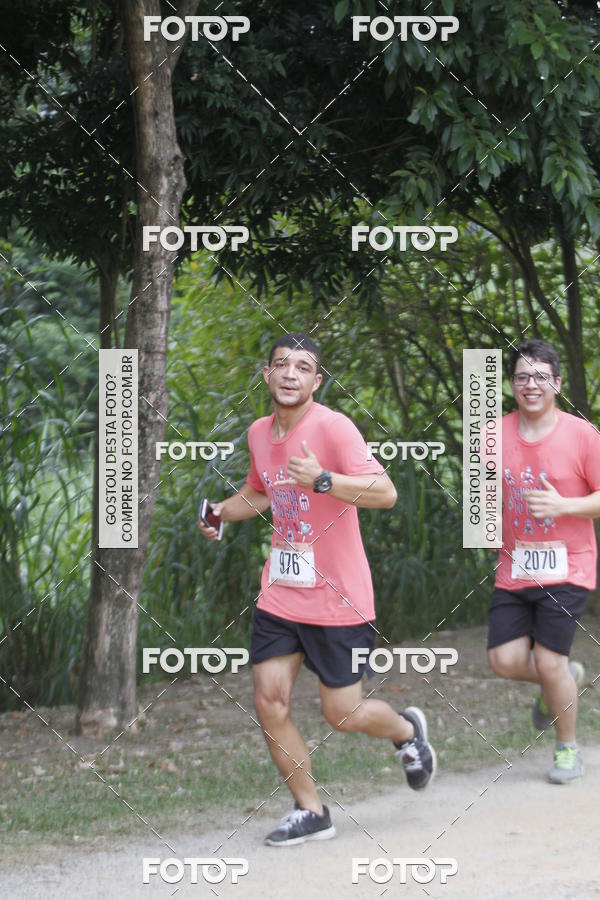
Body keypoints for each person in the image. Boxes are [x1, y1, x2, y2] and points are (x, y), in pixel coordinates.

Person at [199, 333, 435, 845]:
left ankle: (406, 731)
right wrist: (221, 511)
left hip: (339, 598)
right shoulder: (259, 432)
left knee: (342, 712)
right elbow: (261, 491)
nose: (290, 374)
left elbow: (386, 492)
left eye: (302, 367)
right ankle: (311, 811)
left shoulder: (333, 428)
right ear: (267, 375)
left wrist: (323, 480)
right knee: (269, 701)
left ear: (315, 381)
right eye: (281, 364)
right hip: (282, 591)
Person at [487, 338, 600, 783]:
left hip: (569, 564)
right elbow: (485, 500)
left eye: (539, 376)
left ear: (556, 383)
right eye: (521, 376)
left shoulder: (582, 435)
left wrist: (565, 507)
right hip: (515, 566)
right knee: (504, 660)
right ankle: (564, 680)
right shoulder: (493, 433)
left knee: (549, 660)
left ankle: (567, 749)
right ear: (511, 384)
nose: (530, 384)